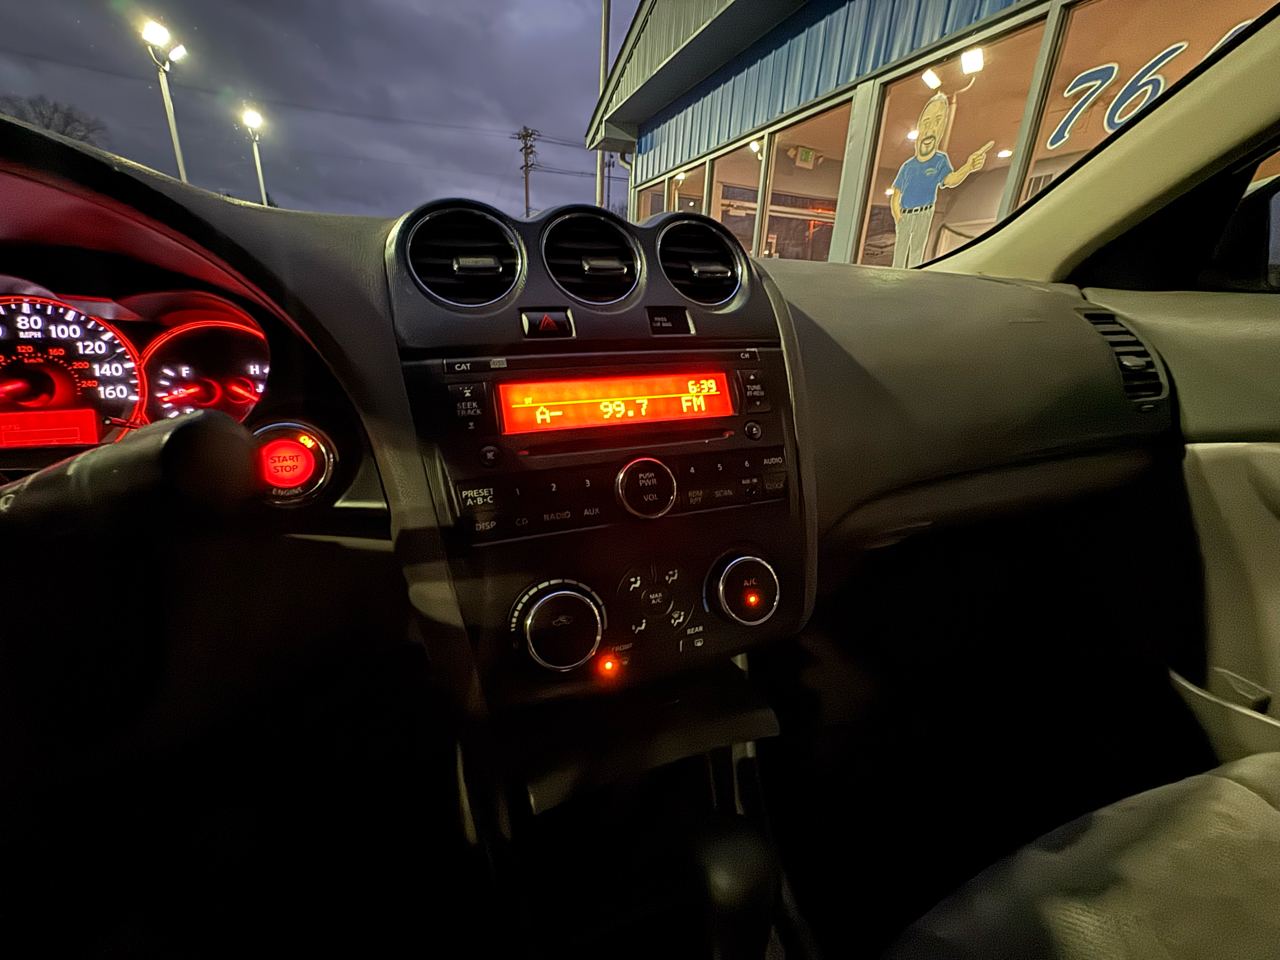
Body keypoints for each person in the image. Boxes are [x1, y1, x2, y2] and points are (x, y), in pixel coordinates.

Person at [890, 93, 993, 268]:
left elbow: (951, 180)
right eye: (926, 123)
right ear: (919, 128)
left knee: (916, 255)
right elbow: (895, 196)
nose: (930, 130)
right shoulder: (907, 166)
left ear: (942, 129)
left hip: (925, 213)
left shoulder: (940, 161)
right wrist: (899, 218)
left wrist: (968, 167)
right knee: (899, 255)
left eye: (937, 122)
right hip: (906, 215)